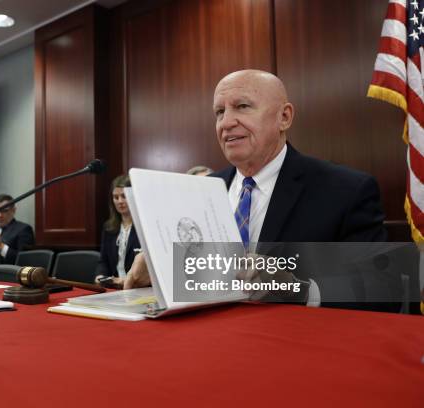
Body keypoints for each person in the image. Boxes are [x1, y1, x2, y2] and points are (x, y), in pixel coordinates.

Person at [125, 69, 393, 308]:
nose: (226, 123)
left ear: (284, 117)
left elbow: (380, 287)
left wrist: (296, 288)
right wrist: (160, 270)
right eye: (219, 112)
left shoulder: (345, 190)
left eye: (242, 106)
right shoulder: (199, 191)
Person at [94, 175, 140, 286]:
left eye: (124, 196)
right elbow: (103, 260)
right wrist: (100, 276)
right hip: (113, 286)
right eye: (116, 197)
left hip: (136, 287)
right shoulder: (108, 227)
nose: (120, 201)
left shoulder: (143, 227)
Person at [0, 194, 34, 264]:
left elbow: (24, 260)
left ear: (13, 210)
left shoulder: (24, 229)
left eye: (4, 211)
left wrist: (1, 246)